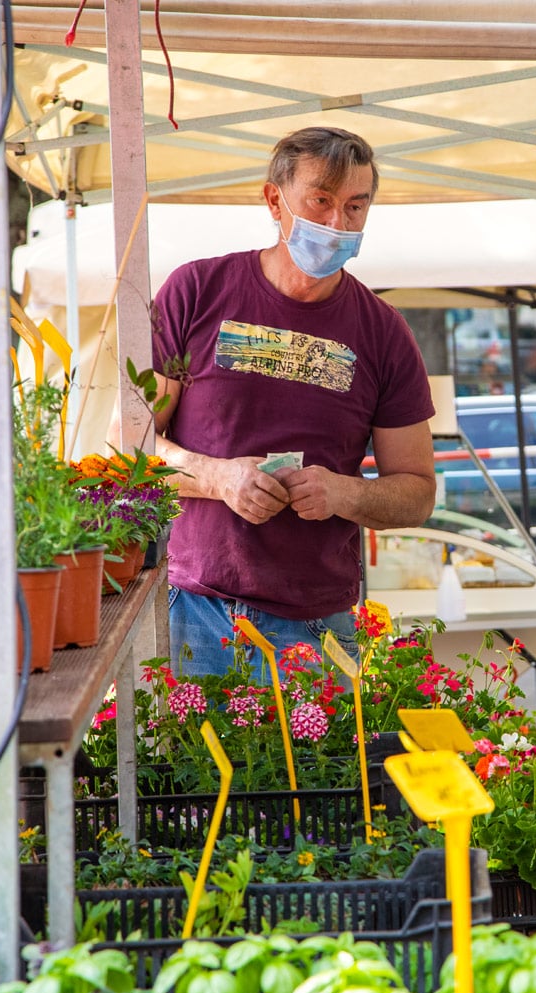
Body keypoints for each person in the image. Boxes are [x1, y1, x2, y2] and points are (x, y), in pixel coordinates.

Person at [144, 126, 436, 676]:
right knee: (179, 766)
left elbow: (417, 494)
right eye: (320, 201)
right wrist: (216, 478)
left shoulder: (384, 333)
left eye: (355, 206)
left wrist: (342, 493)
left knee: (311, 767)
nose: (336, 224)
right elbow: (128, 448)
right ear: (274, 200)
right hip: (190, 605)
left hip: (315, 624)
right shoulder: (195, 292)